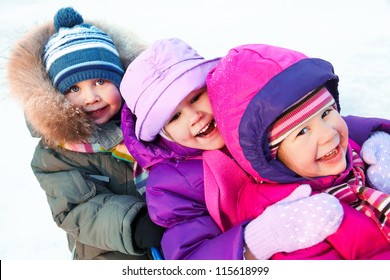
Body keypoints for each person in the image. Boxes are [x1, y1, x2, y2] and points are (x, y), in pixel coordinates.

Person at [120, 38, 347, 260]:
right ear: (162, 132)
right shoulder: (170, 184)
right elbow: (188, 256)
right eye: (175, 117)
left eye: (197, 97)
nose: (195, 116)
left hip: (328, 212)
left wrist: (370, 134)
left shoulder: (245, 118)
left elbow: (310, 121)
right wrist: (259, 239)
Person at [204, 43, 390, 259]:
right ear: (270, 158)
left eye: (326, 112)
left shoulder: (350, 154)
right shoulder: (289, 219)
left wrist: (378, 138)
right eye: (302, 131)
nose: (328, 134)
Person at [7, 7, 164, 260]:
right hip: (109, 252)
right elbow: (74, 208)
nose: (91, 97)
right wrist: (134, 223)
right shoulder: (56, 155)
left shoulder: (148, 121)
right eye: (74, 88)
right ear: (57, 96)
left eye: (101, 82)